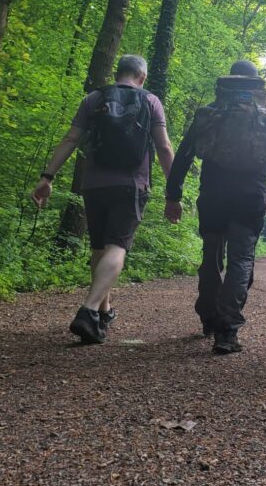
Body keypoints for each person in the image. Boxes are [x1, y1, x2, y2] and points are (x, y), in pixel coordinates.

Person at [32, 54, 174, 344]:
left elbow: (71, 139)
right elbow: (164, 147)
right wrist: (175, 191)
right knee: (117, 247)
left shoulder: (94, 98)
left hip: (94, 184)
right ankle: (88, 309)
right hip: (131, 185)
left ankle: (103, 311)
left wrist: (47, 177)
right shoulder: (150, 101)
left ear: (117, 72)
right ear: (142, 77)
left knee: (99, 248)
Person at [163, 61, 266, 354]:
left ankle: (208, 315)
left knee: (211, 255)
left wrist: (173, 195)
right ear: (256, 84)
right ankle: (227, 331)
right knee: (241, 260)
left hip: (213, 195)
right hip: (251, 196)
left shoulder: (210, 114)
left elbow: (183, 155)